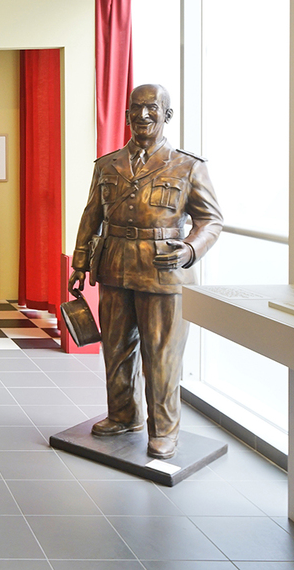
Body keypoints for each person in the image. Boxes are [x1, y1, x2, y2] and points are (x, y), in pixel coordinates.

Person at [68, 83, 222, 459]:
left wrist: (190, 249)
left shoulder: (188, 166)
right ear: (126, 116)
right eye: (136, 108)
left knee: (162, 354)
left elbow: (211, 220)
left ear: (166, 114)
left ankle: (164, 430)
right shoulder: (107, 165)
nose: (143, 115)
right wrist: (80, 261)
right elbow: (92, 215)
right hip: (115, 267)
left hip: (163, 271)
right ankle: (123, 415)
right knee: (116, 348)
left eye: (152, 108)